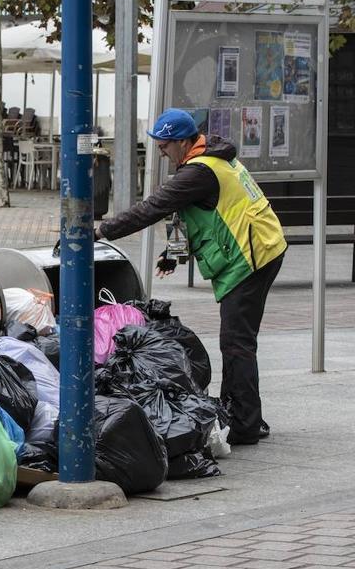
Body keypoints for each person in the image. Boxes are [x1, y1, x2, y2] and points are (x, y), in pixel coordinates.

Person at [95, 107, 287, 445]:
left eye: (165, 144)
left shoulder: (199, 171)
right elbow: (196, 214)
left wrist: (101, 231)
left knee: (236, 340)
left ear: (184, 142)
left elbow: (152, 208)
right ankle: (240, 413)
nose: (160, 150)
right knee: (237, 338)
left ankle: (245, 423)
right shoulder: (206, 160)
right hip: (260, 248)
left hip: (251, 256)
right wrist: (174, 255)